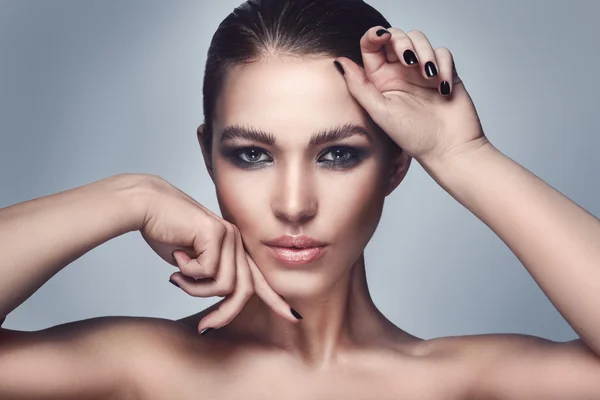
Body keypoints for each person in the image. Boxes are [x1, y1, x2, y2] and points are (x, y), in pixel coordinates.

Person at [2, 0, 600, 398]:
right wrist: (129, 196)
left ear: (396, 164)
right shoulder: (139, 369)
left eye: (338, 154)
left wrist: (464, 153)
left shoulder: (463, 384)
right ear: (209, 155)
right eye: (252, 154)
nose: (293, 204)